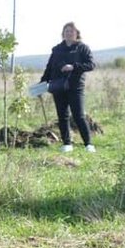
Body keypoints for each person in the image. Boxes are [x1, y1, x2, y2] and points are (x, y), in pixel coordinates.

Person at [40, 22, 96, 153]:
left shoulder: (83, 48)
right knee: (62, 116)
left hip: (76, 87)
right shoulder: (57, 49)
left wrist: (74, 67)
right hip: (58, 86)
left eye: (71, 31)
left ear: (77, 33)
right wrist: (42, 83)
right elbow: (49, 68)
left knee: (79, 115)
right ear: (63, 34)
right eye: (66, 31)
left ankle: (88, 144)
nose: (69, 33)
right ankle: (67, 143)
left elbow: (91, 65)